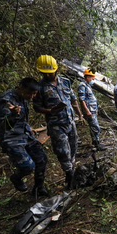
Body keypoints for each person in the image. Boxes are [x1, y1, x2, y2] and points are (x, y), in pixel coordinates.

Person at [33, 55, 85, 189]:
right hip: (55, 125)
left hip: (70, 122)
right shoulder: (40, 87)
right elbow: (36, 107)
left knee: (73, 148)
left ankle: (70, 170)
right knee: (62, 151)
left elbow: (73, 99)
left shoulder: (66, 82)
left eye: (50, 72)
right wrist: (50, 111)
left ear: (56, 70)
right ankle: (69, 173)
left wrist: (80, 115)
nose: (47, 75)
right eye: (44, 73)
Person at [0, 78, 48, 196]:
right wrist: (13, 115)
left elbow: (23, 118)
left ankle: (39, 188)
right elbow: (4, 125)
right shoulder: (5, 100)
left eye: (34, 94)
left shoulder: (24, 98)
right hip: (10, 137)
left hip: (25, 134)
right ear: (20, 88)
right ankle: (16, 178)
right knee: (27, 166)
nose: (32, 96)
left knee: (42, 159)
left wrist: (28, 127)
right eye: (29, 93)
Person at [78, 69, 106, 151]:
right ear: (88, 77)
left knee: (94, 127)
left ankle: (96, 142)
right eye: (92, 78)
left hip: (92, 110)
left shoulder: (87, 86)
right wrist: (87, 111)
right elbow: (81, 99)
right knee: (95, 127)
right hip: (89, 111)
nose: (93, 80)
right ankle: (97, 144)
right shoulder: (82, 85)